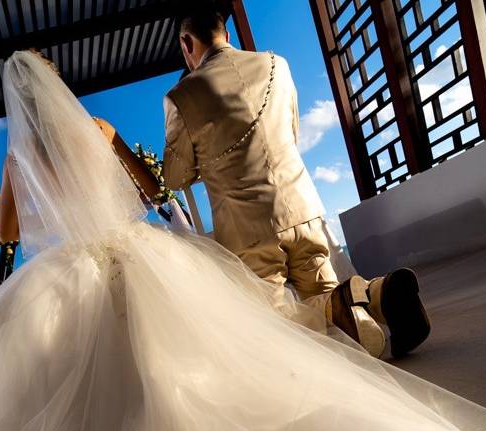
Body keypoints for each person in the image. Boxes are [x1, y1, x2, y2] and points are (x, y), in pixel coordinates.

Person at [0, 50, 486, 431]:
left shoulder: (15, 161)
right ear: (60, 88)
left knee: (79, 378)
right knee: (226, 345)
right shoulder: (99, 131)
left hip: (67, 269)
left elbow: (8, 234)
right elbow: (147, 193)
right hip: (136, 252)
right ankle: (357, 309)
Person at [162, 2, 429, 358]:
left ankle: (362, 315)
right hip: (302, 208)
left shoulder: (181, 96)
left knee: (273, 322)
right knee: (323, 291)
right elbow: (291, 132)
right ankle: (376, 295)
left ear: (186, 43)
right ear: (226, 35)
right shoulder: (277, 65)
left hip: (247, 230)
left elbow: (177, 176)